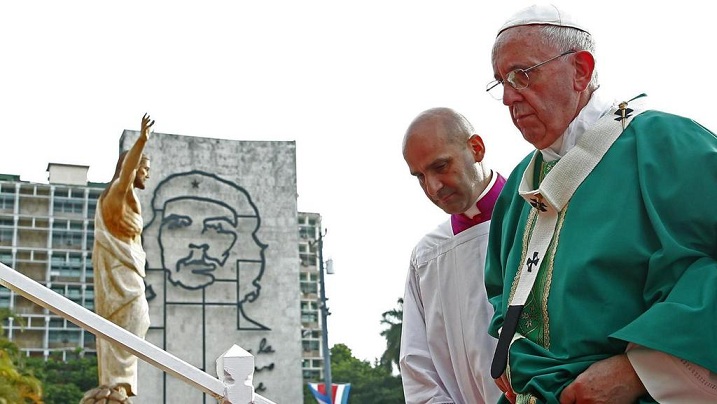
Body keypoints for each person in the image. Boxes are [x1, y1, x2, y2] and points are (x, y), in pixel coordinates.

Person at [484, 4, 717, 403]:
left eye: (521, 75)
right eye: (500, 81)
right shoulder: (519, 188)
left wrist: (641, 371)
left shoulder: (665, 145)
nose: (507, 97)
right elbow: (501, 299)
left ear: (581, 71)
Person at [400, 107, 504, 404]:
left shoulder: (539, 217)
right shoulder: (427, 256)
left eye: (440, 167)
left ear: (476, 149)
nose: (433, 187)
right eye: (420, 177)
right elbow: (418, 368)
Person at [92, 113, 154, 398]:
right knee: (129, 325)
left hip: (130, 273)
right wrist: (140, 141)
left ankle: (120, 387)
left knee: (136, 327)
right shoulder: (117, 195)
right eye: (145, 168)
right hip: (119, 280)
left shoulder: (132, 201)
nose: (147, 173)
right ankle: (115, 386)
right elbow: (126, 173)